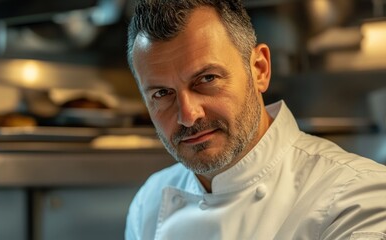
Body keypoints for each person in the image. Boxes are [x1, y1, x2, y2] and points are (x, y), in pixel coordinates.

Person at [124, 0, 386, 239]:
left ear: (260, 69)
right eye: (161, 93)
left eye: (207, 79)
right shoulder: (150, 201)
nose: (189, 115)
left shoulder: (357, 196)